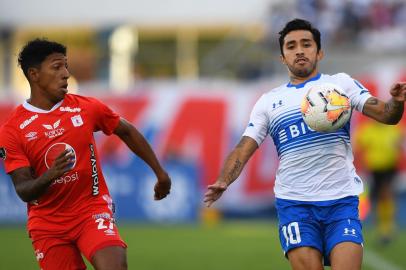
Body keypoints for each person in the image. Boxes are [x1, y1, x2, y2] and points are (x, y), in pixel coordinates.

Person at [204, 18, 406, 270]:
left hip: (341, 201)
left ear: (319, 52)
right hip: (295, 205)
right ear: (282, 57)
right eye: (291, 46)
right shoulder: (269, 101)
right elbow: (244, 146)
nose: (299, 50)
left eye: (306, 44)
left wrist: (396, 102)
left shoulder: (340, 85)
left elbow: (387, 115)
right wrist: (224, 179)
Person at [0, 39, 171, 270]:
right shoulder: (13, 130)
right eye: (57, 67)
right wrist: (52, 174)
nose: (66, 74)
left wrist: (160, 173)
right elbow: (23, 190)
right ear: (34, 74)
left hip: (91, 210)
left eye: (66, 66)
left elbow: (127, 131)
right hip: (47, 224)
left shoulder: (86, 107)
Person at [354, 119, 404, 244]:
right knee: (376, 198)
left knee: (386, 194)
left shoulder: (394, 128)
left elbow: (400, 145)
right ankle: (382, 227)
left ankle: (386, 228)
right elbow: (357, 147)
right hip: (373, 169)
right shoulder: (368, 129)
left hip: (389, 168)